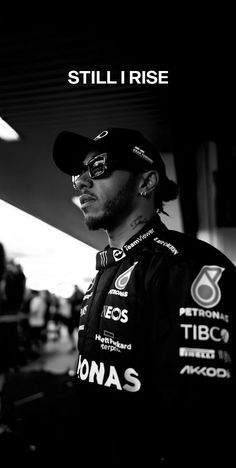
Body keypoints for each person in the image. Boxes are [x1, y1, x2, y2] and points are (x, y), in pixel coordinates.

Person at [52, 127, 235, 466]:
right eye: (79, 174)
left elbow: (206, 418)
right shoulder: (107, 268)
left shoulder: (187, 266)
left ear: (147, 182)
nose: (81, 182)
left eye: (99, 167)